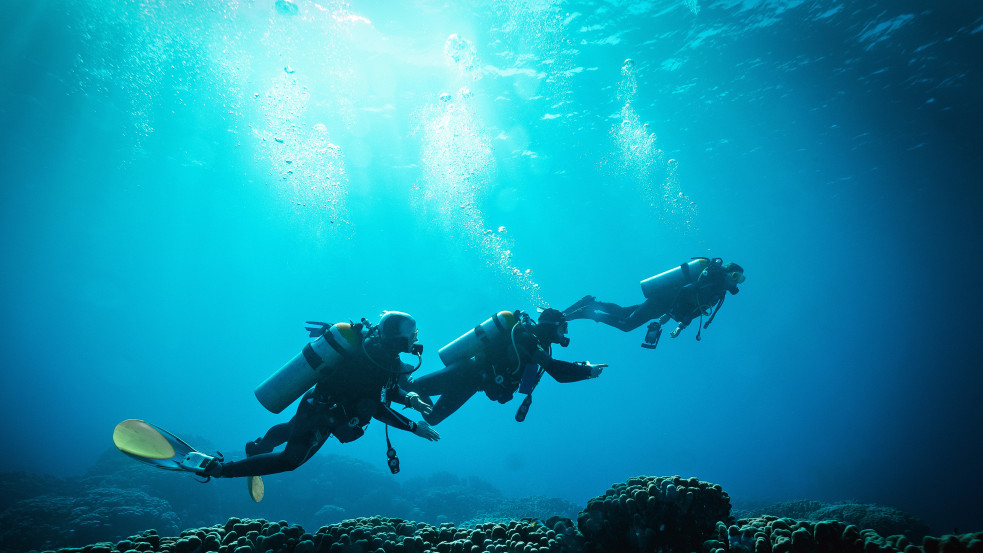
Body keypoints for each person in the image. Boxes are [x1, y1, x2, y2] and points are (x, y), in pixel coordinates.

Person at [197, 311, 439, 479]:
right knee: (290, 461)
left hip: (318, 402)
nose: (415, 339)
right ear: (398, 337)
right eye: (412, 334)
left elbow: (384, 388)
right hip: (324, 414)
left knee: (291, 429)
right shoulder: (374, 359)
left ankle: (259, 448)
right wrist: (412, 427)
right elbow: (374, 406)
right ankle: (220, 469)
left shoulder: (383, 356)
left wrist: (409, 399)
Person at [404, 308, 607, 425]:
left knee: (432, 419)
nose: (565, 334)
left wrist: (583, 368)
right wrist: (587, 371)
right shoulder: (527, 338)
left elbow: (544, 372)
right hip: (467, 371)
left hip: (473, 383)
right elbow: (557, 372)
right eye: (563, 328)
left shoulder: (536, 342)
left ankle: (402, 384)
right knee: (410, 388)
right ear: (553, 326)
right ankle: (396, 371)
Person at [563, 257, 745, 349]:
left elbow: (696, 311)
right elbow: (685, 290)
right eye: (735, 276)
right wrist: (667, 316)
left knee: (624, 312)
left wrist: (679, 328)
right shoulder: (711, 280)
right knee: (627, 325)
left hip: (663, 305)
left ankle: (592, 303)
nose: (736, 282)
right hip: (663, 302)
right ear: (727, 272)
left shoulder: (717, 294)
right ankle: (588, 312)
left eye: (740, 279)